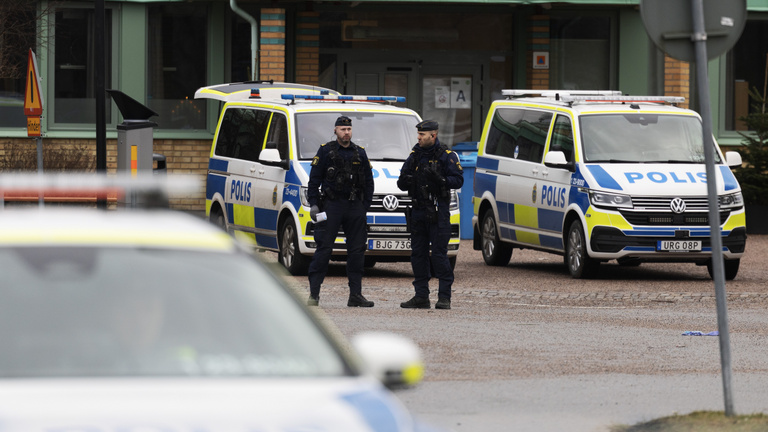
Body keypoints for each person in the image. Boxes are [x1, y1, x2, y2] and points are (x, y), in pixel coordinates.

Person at [306, 115, 375, 307]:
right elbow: (314, 181)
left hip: (354, 206)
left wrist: (364, 207)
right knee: (324, 249)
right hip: (332, 205)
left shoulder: (360, 153)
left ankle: (355, 295)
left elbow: (369, 182)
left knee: (357, 251)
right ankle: (314, 294)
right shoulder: (325, 151)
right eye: (343, 129)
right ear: (335, 130)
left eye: (349, 129)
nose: (346, 132)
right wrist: (314, 204)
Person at [398, 120, 463, 310]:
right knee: (418, 255)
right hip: (418, 211)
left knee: (439, 256)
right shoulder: (415, 155)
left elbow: (458, 180)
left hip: (437, 212)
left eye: (422, 135)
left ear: (433, 135)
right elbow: (401, 182)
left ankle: (444, 297)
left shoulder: (446, 155)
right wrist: (409, 180)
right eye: (418, 134)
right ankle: (421, 296)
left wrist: (441, 180)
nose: (418, 138)